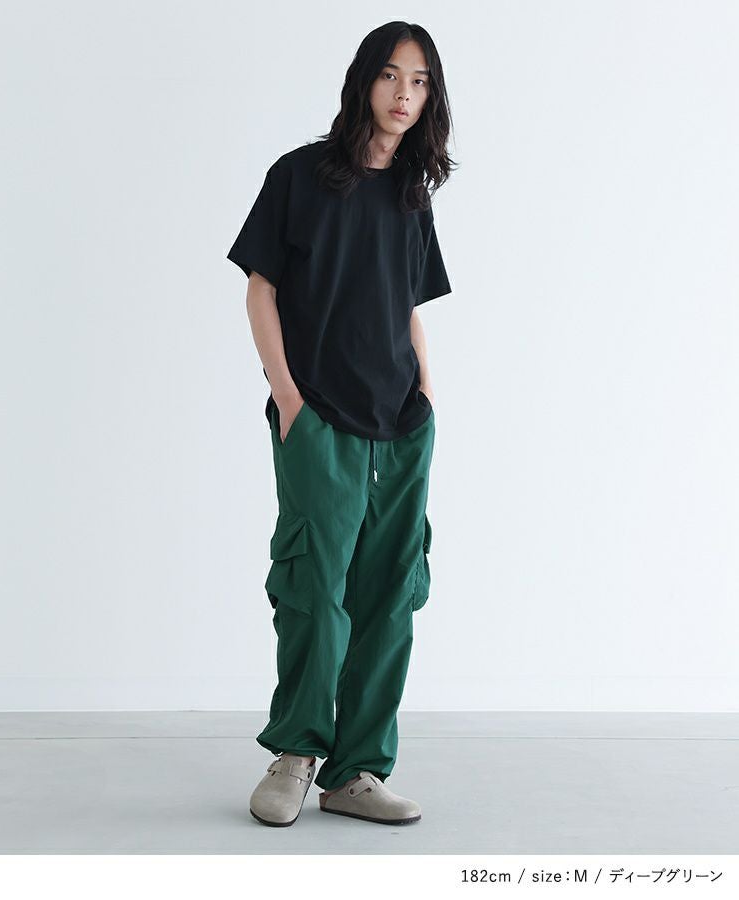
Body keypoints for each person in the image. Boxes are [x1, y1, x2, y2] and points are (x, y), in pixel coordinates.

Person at [227, 20, 455, 827]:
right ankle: (297, 752)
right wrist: (288, 399)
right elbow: (260, 289)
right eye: (391, 75)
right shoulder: (299, 176)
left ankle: (356, 770)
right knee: (314, 590)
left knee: (391, 595)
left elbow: (409, 307)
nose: (404, 94)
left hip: (401, 426)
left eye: (420, 81)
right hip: (319, 418)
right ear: (364, 81)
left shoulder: (411, 194)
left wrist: (427, 392)